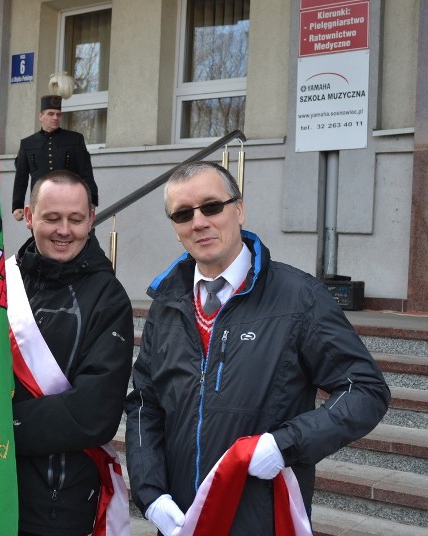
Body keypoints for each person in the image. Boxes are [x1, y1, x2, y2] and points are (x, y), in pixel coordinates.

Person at [124, 162, 391, 535]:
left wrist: (285, 445)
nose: (199, 221)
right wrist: (150, 493)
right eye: (183, 213)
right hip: (181, 521)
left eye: (211, 206)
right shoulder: (166, 305)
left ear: (239, 209)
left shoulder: (300, 298)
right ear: (175, 228)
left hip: (262, 519)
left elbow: (365, 390)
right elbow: (145, 405)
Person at [5, 170, 133, 535]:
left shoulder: (109, 297)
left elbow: (94, 413)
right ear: (29, 216)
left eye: (76, 219)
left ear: (92, 219)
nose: (64, 230)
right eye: (51, 218)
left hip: (57, 504)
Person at [11, 96, 98, 221]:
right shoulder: (28, 143)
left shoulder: (75, 139)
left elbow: (86, 172)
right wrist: (17, 205)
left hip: (69, 200)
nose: (55, 118)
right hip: (40, 202)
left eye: (58, 114)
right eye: (51, 114)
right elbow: (21, 177)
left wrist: (92, 200)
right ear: (40, 116)